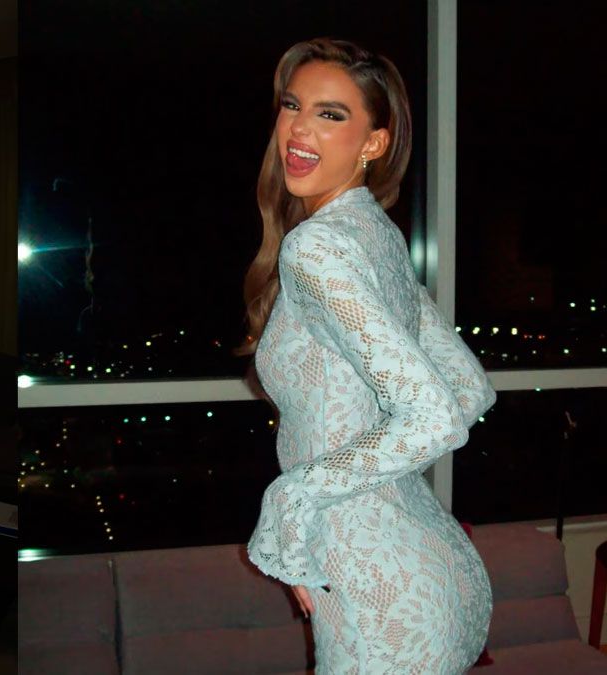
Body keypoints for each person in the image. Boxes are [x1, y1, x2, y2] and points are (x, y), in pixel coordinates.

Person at [240, 37, 495, 673]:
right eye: (292, 105)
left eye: (330, 114)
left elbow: (436, 415)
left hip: (378, 589)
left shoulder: (318, 247)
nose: (299, 128)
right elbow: (469, 391)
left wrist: (294, 495)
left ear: (374, 143)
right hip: (438, 574)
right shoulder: (377, 236)